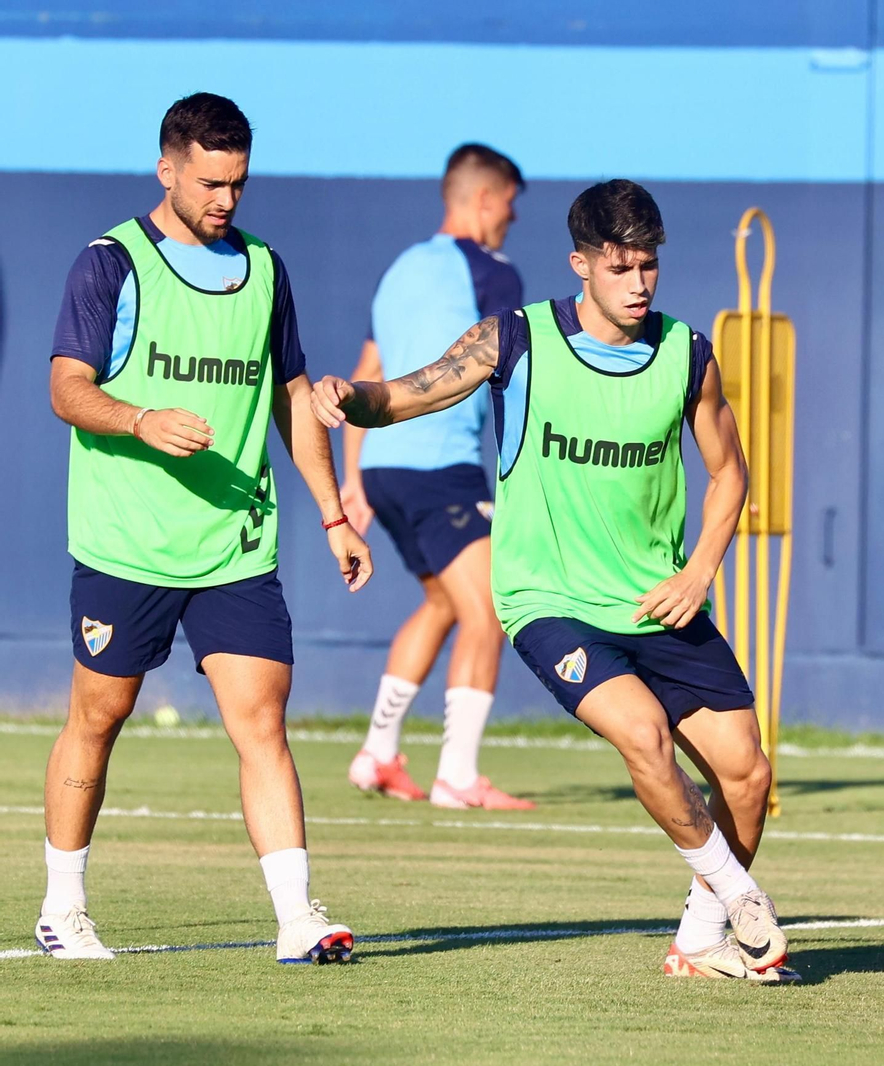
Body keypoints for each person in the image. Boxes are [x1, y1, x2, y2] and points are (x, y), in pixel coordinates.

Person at [311, 179, 798, 982]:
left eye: (649, 267)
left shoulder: (687, 355)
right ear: (580, 264)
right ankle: (740, 894)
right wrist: (348, 397)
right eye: (620, 268)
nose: (639, 284)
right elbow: (403, 395)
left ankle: (702, 937)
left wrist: (700, 568)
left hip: (660, 600)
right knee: (642, 735)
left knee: (746, 774)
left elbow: (730, 476)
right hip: (552, 603)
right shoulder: (516, 341)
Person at [41, 92, 373, 963]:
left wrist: (335, 514)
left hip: (234, 546)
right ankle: (62, 908)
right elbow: (66, 388)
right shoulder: (109, 264)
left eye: (238, 183)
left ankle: (297, 918)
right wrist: (138, 417)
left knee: (262, 719)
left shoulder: (266, 269)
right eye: (210, 181)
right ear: (168, 168)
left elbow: (294, 399)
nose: (225, 199)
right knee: (100, 715)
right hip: (127, 543)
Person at [341, 144, 532, 810]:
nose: (510, 217)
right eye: (509, 203)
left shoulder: (399, 270)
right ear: (483, 200)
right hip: (441, 466)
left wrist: (353, 477)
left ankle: (377, 753)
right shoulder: (494, 274)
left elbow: (368, 369)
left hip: (384, 467)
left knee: (446, 603)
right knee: (491, 609)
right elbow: (514, 374)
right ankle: (457, 775)